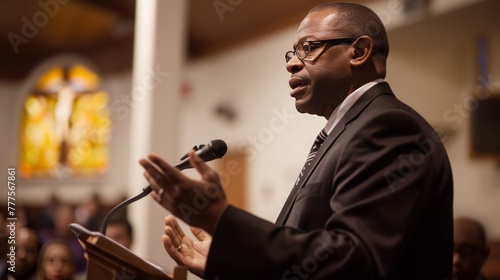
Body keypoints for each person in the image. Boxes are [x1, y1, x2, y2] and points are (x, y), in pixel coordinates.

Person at [139, 2, 454, 279]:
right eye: (292, 52)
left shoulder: (388, 126)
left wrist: (220, 219)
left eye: (309, 47)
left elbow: (356, 263)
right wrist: (233, 263)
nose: (291, 63)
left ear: (358, 51)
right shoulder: (348, 131)